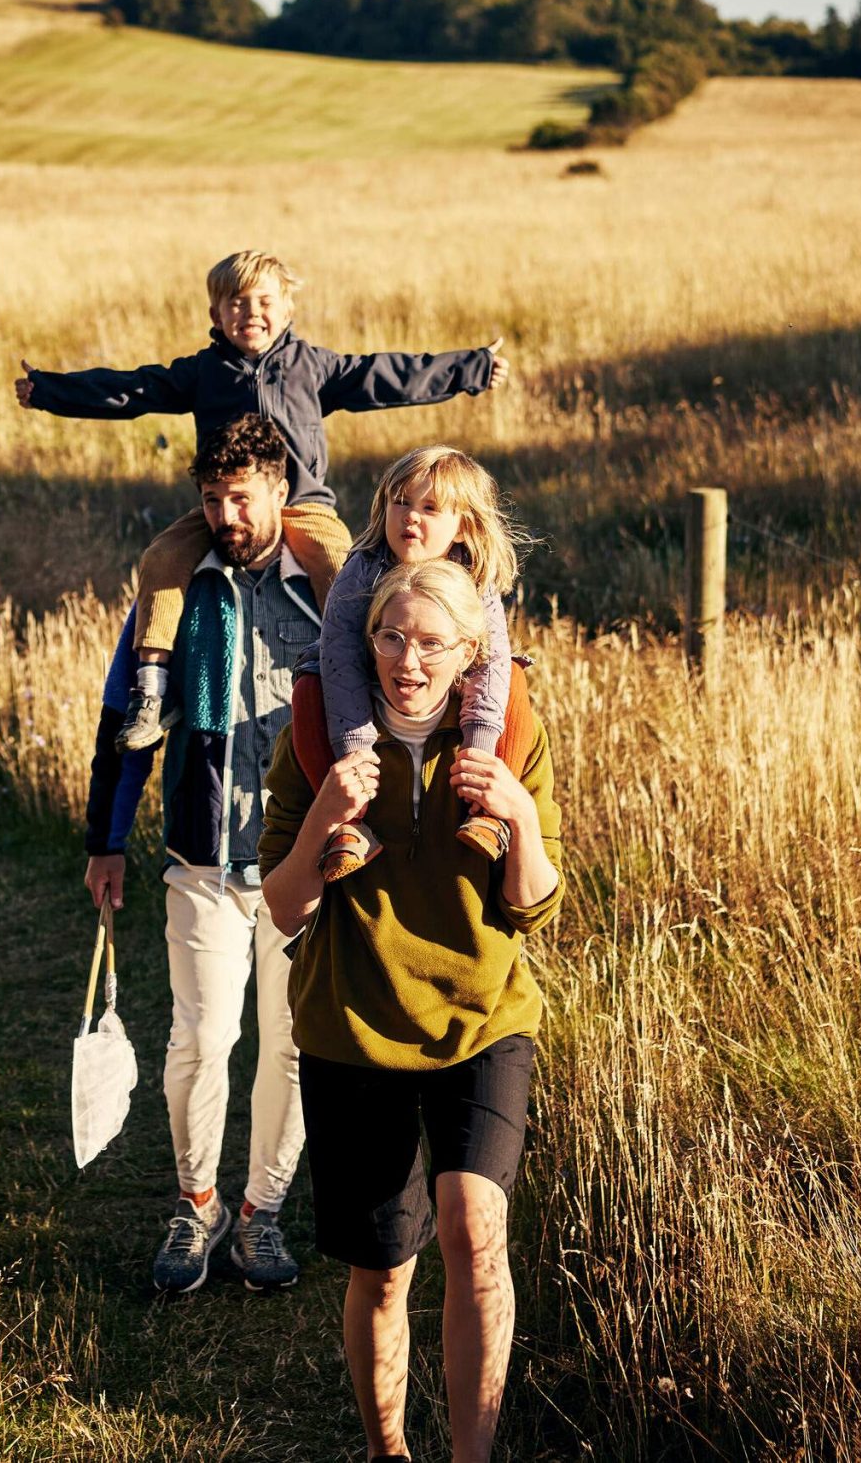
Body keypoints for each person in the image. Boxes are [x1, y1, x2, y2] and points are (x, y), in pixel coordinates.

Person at [261, 557, 565, 1463]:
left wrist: (520, 817)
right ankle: (387, 1448)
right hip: (354, 1025)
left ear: (471, 652)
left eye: (432, 641)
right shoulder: (318, 741)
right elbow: (282, 905)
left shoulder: (509, 734)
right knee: (383, 1268)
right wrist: (322, 821)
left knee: (476, 1226)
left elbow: (536, 904)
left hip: (485, 1016)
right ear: (369, 641)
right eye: (391, 636)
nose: (408, 658)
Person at [15, 248, 509, 753]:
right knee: (161, 558)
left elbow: (389, 375)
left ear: (288, 309)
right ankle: (152, 689)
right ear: (215, 315)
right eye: (235, 302)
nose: (250, 312)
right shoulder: (203, 372)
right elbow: (131, 389)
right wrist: (49, 390)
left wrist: (472, 368)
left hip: (303, 505)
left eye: (263, 301)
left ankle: (357, 675)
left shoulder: (312, 366)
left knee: (342, 562)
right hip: (225, 508)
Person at [80, 415, 318, 1295]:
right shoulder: (177, 591)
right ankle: (196, 1203)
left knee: (290, 1045)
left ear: (279, 494)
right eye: (211, 498)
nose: (225, 513)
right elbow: (124, 723)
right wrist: (107, 840)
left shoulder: (325, 594)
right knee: (204, 1036)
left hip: (304, 861)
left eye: (240, 496)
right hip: (203, 852)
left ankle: (263, 1212)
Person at [301, 445, 535, 880]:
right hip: (368, 679)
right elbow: (340, 660)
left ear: (463, 527)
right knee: (308, 683)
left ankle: (487, 810)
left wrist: (477, 746)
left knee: (513, 677)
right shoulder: (361, 570)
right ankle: (347, 825)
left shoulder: (474, 577)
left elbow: (490, 663)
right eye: (401, 502)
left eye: (430, 508)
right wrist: (355, 750)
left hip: (448, 681)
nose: (410, 516)